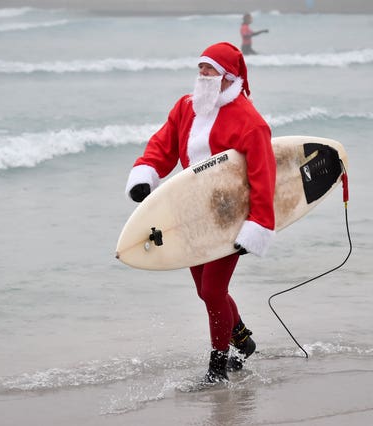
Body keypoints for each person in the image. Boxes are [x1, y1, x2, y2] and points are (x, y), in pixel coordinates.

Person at [124, 42, 276, 383]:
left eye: (209, 69)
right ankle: (242, 340)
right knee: (206, 291)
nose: (202, 74)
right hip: (191, 215)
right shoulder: (186, 107)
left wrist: (258, 225)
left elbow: (263, 177)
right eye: (200, 68)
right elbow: (163, 145)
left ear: (227, 77)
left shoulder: (250, 123)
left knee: (212, 292)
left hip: (230, 217)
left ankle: (217, 367)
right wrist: (145, 173)